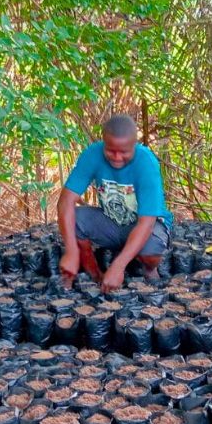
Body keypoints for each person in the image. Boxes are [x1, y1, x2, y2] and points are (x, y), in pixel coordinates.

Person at [57, 114, 173, 293]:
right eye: (111, 151)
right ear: (103, 142)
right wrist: (71, 252)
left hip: (144, 225)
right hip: (111, 221)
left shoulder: (146, 163)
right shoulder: (92, 155)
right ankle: (94, 274)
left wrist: (118, 266)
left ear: (134, 144)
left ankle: (150, 271)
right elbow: (65, 201)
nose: (117, 158)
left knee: (150, 252)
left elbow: (147, 223)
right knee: (75, 219)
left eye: (124, 152)